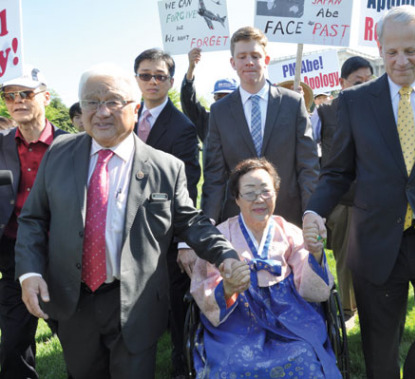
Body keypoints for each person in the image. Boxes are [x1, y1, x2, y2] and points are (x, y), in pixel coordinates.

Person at [14, 64, 248, 379]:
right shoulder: (59, 153)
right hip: (74, 301)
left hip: (135, 302)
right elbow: (33, 218)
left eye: (113, 101)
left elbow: (190, 221)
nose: (102, 112)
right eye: (91, 102)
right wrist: (29, 272)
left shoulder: (165, 168)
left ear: (135, 108)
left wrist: (225, 254)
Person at [302, 6, 415, 378]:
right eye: (392, 52)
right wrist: (314, 210)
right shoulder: (352, 103)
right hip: (378, 240)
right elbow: (336, 171)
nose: (401, 61)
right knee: (380, 352)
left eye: (411, 51)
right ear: (380, 49)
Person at [186, 158, 341, 378]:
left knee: (305, 358)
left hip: (288, 319)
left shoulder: (290, 233)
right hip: (236, 321)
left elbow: (311, 289)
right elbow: (205, 288)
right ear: (237, 199)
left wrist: (315, 253)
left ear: (276, 194)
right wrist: (228, 288)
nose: (259, 199)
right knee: (234, 365)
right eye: (249, 192)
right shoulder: (219, 238)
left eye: (266, 191)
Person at [201, 26, 319, 227]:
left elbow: (307, 165)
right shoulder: (219, 112)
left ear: (266, 60)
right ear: (233, 62)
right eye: (242, 56)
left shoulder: (292, 103)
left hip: (287, 218)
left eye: (255, 56)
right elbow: (214, 175)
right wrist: (208, 220)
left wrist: (311, 211)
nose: (249, 62)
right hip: (237, 221)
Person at [133, 48, 201, 379]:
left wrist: (183, 239)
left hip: (165, 230)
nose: (152, 81)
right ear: (136, 79)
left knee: (175, 305)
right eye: (146, 75)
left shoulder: (182, 127)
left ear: (170, 81)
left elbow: (187, 183)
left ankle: (181, 366)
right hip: (126, 228)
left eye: (160, 76)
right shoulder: (126, 118)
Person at [0, 66, 67, 379]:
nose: (17, 101)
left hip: (62, 252)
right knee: (13, 338)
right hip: (12, 251)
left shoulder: (72, 145)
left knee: (72, 332)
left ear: (45, 97)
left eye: (26, 94)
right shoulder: (0, 145)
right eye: (10, 96)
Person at [317, 56, 374, 322]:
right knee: (347, 258)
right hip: (343, 201)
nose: (363, 86)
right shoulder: (325, 112)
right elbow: (307, 152)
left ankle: (376, 308)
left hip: (376, 198)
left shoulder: (382, 108)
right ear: (342, 83)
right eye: (356, 82)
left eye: (368, 81)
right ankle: (349, 311)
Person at [180, 47, 238, 144]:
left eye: (228, 97)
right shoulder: (206, 121)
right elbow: (189, 102)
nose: (223, 101)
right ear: (214, 99)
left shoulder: (247, 121)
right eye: (219, 97)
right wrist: (191, 68)